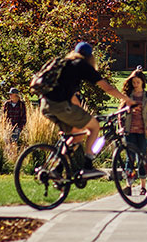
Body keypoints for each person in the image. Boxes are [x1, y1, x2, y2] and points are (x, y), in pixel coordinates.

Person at [41, 42, 136, 179]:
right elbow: (107, 88)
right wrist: (127, 100)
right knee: (94, 126)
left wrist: (80, 112)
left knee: (78, 135)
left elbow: (70, 95)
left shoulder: (65, 64)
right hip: (60, 106)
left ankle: (57, 169)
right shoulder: (82, 65)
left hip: (46, 104)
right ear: (90, 56)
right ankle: (87, 166)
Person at [121, 70, 147, 194]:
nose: (135, 84)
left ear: (142, 82)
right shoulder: (127, 96)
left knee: (141, 158)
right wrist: (121, 127)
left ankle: (142, 186)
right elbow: (121, 114)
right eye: (133, 82)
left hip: (143, 131)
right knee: (129, 159)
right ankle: (128, 186)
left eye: (138, 82)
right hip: (129, 131)